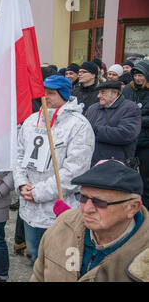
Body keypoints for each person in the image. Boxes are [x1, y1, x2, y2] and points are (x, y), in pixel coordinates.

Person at [13, 75, 95, 265]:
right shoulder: (31, 121)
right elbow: (18, 157)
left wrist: (38, 192)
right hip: (30, 210)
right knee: (35, 257)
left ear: (64, 95)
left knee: (60, 262)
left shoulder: (79, 125)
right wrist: (22, 184)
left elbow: (75, 171)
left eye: (51, 93)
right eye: (44, 93)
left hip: (60, 210)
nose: (46, 97)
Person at [31, 160, 149, 282]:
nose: (87, 209)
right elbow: (38, 276)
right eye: (83, 197)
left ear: (132, 207)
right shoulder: (62, 225)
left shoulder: (144, 254)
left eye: (99, 202)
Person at [85, 80, 141, 167]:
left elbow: (127, 134)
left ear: (115, 93)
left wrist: (96, 130)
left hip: (116, 164)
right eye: (99, 92)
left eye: (103, 92)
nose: (98, 96)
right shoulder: (93, 108)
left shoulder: (130, 108)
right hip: (91, 162)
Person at [123, 60, 149, 209]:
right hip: (129, 140)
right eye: (136, 75)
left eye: (141, 75)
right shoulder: (128, 90)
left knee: (145, 177)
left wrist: (137, 119)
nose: (138, 79)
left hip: (146, 141)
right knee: (128, 175)